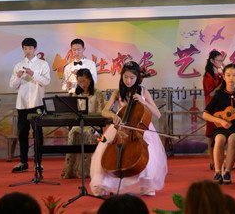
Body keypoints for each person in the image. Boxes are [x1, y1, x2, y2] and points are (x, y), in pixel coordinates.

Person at [90, 61, 167, 196]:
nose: (128, 81)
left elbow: (157, 114)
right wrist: (113, 115)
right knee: (105, 149)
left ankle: (147, 186)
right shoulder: (117, 92)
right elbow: (104, 111)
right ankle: (104, 184)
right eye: (125, 77)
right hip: (121, 126)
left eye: (132, 78)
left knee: (147, 152)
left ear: (137, 77)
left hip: (140, 128)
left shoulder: (143, 91)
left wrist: (143, 101)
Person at [202, 63, 235, 185]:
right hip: (221, 126)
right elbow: (205, 114)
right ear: (224, 77)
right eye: (228, 75)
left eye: (234, 75)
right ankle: (217, 172)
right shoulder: (219, 94)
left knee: (232, 139)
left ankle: (228, 172)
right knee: (219, 139)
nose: (231, 78)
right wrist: (220, 121)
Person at [9, 38, 51, 173]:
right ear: (23, 49)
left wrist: (33, 74)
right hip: (22, 104)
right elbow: (12, 85)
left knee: (37, 133)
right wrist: (18, 76)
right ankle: (23, 162)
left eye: (30, 48)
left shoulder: (42, 64)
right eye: (25, 48)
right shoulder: (18, 65)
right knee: (22, 133)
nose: (28, 51)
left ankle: (38, 163)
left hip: (37, 103)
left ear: (35, 49)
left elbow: (46, 82)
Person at [60, 67, 105, 179]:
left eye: (84, 81)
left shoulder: (97, 93)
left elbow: (101, 112)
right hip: (80, 124)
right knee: (72, 132)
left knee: (89, 133)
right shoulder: (76, 94)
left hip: (94, 125)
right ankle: (71, 169)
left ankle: (87, 170)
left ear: (90, 79)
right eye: (79, 82)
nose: (82, 84)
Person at [202, 50, 225, 170]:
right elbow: (211, 93)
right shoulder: (208, 76)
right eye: (219, 60)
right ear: (212, 61)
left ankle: (220, 159)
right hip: (212, 109)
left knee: (221, 135)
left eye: (222, 60)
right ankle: (212, 161)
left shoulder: (220, 74)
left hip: (221, 108)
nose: (221, 62)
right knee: (211, 136)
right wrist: (223, 82)